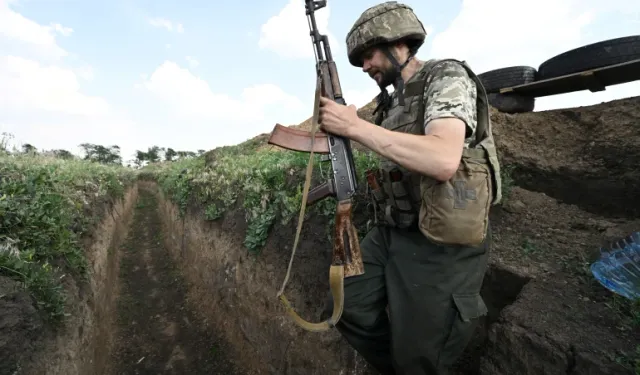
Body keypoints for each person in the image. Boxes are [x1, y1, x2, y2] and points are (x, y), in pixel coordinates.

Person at [317, 2, 503, 374]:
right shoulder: (389, 104)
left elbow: (443, 160)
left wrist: (355, 128)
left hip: (442, 244)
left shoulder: (445, 76)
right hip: (395, 231)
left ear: (396, 41)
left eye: (368, 55)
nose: (366, 66)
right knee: (345, 306)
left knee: (419, 358)